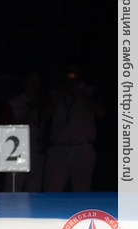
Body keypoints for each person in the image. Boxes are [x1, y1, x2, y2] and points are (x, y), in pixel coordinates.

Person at [40, 64, 104, 192]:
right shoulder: (54, 92)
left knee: (82, 191)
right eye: (68, 71)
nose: (71, 74)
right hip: (59, 147)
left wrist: (79, 93)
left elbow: (101, 111)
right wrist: (59, 96)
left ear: (80, 72)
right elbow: (43, 116)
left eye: (74, 71)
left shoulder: (90, 90)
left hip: (83, 147)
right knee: (52, 190)